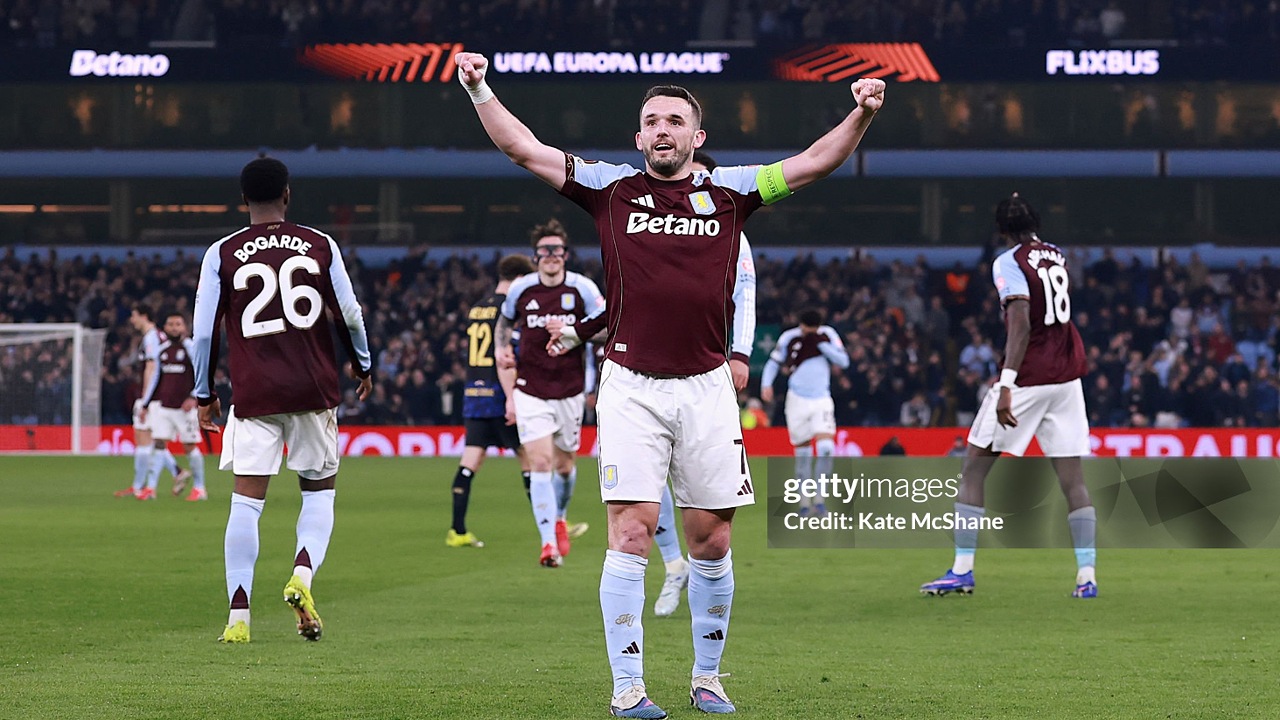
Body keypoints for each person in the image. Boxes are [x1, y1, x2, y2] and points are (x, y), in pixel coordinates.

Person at [456, 50, 884, 717]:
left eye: (675, 121)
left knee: (712, 539)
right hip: (631, 385)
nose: (663, 130)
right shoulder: (610, 188)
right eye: (652, 121)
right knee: (631, 530)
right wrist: (480, 88)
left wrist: (860, 114)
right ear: (638, 137)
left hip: (707, 387)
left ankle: (707, 678)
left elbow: (813, 163)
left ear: (697, 136)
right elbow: (524, 149)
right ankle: (628, 688)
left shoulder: (733, 192)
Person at [192, 157, 373, 644]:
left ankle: (238, 617)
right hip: (313, 390)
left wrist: (204, 393)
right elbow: (349, 313)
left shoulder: (222, 252)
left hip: (255, 393)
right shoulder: (320, 244)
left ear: (242, 200)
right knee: (319, 494)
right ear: (288, 194)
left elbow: (204, 332)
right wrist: (362, 364)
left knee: (246, 504)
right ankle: (302, 575)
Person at [920, 193, 1097, 600]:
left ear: (1001, 230)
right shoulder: (1056, 255)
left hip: (1030, 376)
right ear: (1037, 222)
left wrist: (1006, 385)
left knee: (973, 469)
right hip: (1067, 376)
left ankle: (962, 570)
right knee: (1073, 481)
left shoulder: (1008, 261)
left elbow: (1020, 323)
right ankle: (1086, 576)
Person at [649, 148, 759, 619]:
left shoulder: (730, 226)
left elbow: (745, 292)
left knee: (705, 498)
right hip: (642, 372)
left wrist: (741, 353)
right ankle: (672, 564)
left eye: (702, 178)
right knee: (645, 486)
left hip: (704, 373)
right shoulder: (650, 222)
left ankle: (698, 567)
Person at [496, 219, 606, 568]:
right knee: (540, 463)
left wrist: (573, 330)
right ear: (536, 256)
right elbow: (504, 322)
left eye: (557, 250)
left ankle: (560, 517)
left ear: (565, 254)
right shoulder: (522, 289)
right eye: (545, 250)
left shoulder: (583, 289)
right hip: (530, 388)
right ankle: (548, 544)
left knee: (565, 466)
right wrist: (502, 349)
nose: (551, 256)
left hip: (570, 390)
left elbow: (608, 328)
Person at [446, 253, 537, 549]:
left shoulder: (478, 307)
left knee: (470, 461)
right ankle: (553, 525)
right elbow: (504, 355)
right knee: (530, 457)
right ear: (520, 279)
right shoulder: (509, 309)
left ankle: (457, 530)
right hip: (500, 392)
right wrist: (513, 396)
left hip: (474, 394)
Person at [761, 308, 850, 517]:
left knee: (826, 448)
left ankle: (819, 500)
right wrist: (766, 383)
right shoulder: (789, 337)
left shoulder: (827, 335)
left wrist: (820, 344)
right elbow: (774, 362)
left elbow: (843, 361)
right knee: (803, 455)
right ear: (800, 324)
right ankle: (804, 502)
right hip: (797, 400)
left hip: (821, 399)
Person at [115, 304, 191, 499]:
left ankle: (140, 487)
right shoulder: (159, 337)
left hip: (152, 397)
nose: (132, 320)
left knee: (144, 440)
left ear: (144, 316)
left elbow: (152, 368)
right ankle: (174, 472)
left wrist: (145, 399)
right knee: (153, 441)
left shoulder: (152, 338)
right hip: (157, 397)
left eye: (134, 315)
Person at [136, 312, 207, 501]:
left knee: (189, 446)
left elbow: (203, 372)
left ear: (184, 327)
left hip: (185, 409)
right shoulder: (162, 349)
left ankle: (200, 488)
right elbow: (155, 378)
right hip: (165, 407)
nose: (174, 328)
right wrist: (145, 403)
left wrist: (193, 396)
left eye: (178, 324)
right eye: (171, 324)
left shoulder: (191, 347)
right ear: (165, 328)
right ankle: (151, 488)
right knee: (159, 443)